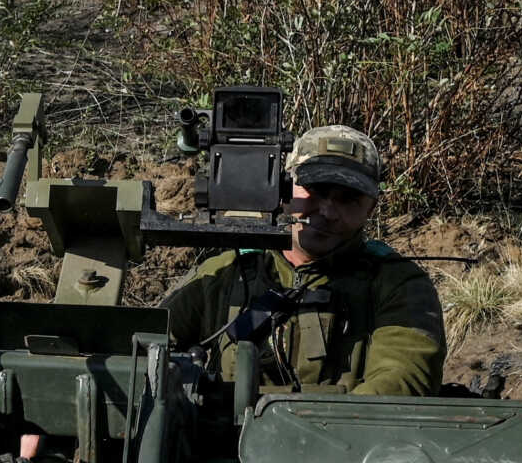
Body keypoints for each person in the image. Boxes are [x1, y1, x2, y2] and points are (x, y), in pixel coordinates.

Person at [160, 124, 445, 396]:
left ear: (370, 208)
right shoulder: (226, 274)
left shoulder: (397, 284)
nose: (328, 211)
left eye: (349, 199)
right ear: (283, 188)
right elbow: (143, 348)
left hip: (344, 443)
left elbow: (403, 381)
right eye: (317, 190)